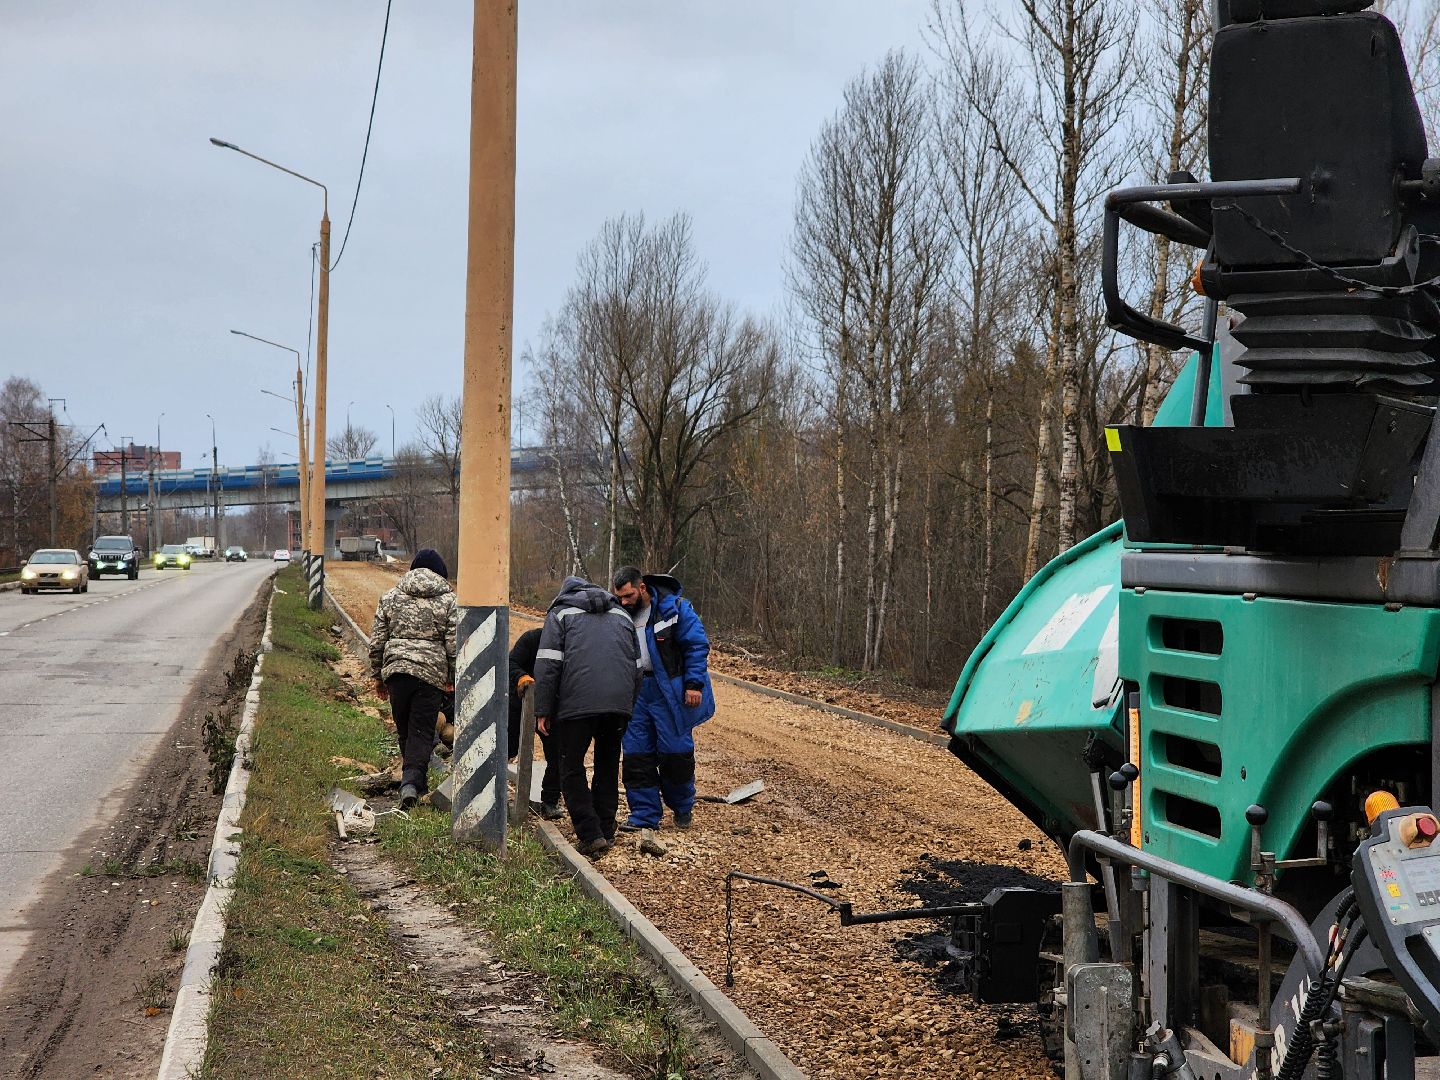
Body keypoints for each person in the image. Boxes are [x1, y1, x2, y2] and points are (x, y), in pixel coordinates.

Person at [532, 576, 641, 856]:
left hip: (576, 705)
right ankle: (605, 827)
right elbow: (637, 666)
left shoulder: (560, 613)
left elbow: (548, 665)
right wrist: (628, 704)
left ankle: (590, 833)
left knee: (571, 766)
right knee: (607, 764)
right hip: (617, 706)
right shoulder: (622, 615)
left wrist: (542, 709)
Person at [612, 565, 715, 832]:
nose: (624, 601)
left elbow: (696, 645)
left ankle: (682, 807)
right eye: (620, 597)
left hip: (669, 692)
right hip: (634, 692)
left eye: (628, 596)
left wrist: (694, 684)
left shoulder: (675, 609)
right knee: (636, 754)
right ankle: (644, 816)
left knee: (675, 753)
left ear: (642, 588)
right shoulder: (619, 614)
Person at [369, 548, 458, 810]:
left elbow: (377, 643)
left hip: (396, 674)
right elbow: (453, 644)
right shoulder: (450, 601)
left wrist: (378, 677)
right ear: (441, 574)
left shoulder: (391, 597)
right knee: (420, 730)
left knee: (406, 729)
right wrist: (451, 677)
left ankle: (415, 784)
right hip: (430, 675)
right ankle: (410, 784)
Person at [508, 626, 563, 819]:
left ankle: (550, 801)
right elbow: (511, 662)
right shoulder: (531, 638)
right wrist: (521, 677)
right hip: (520, 704)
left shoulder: (567, 643)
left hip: (551, 706)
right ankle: (494, 792)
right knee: (508, 748)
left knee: (557, 754)